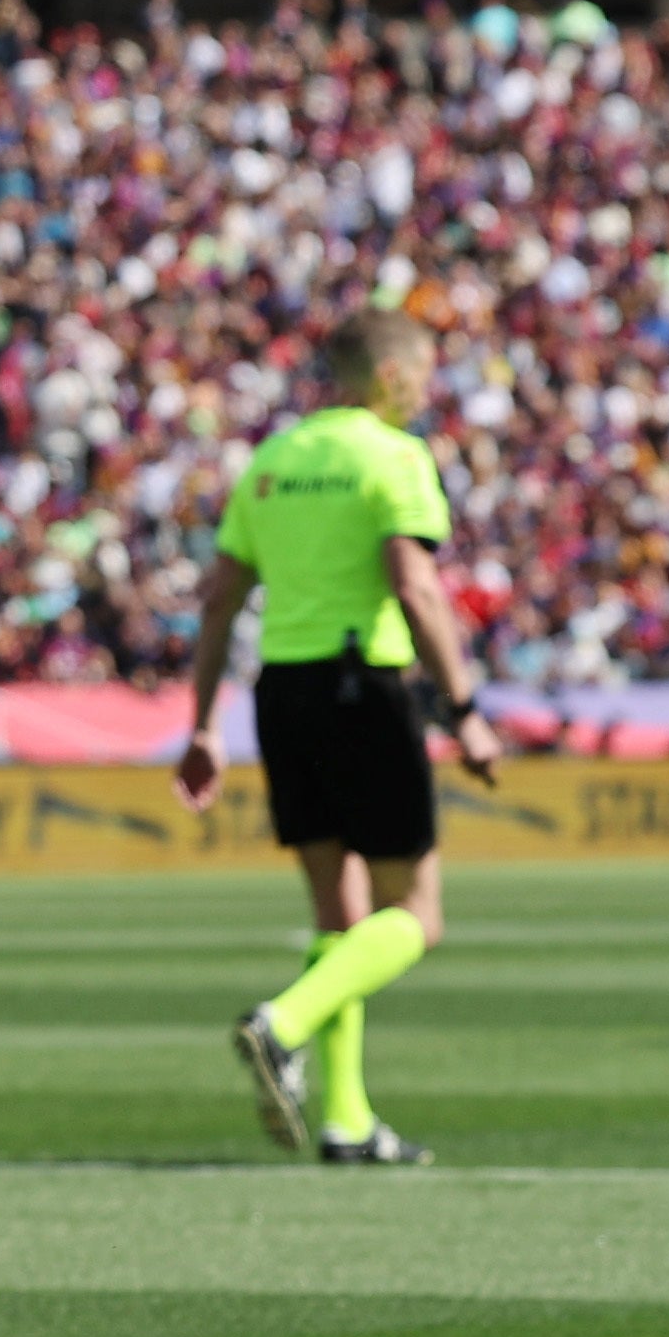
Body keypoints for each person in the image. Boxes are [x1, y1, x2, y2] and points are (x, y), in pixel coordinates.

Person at [176, 307, 506, 1167]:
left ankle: (347, 1119)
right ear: (392, 377)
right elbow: (415, 583)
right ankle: (282, 1023)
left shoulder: (273, 460)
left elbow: (219, 597)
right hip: (366, 684)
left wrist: (203, 723)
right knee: (414, 915)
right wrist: (463, 706)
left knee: (338, 910)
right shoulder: (393, 456)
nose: (429, 391)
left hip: (282, 693)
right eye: (425, 374)